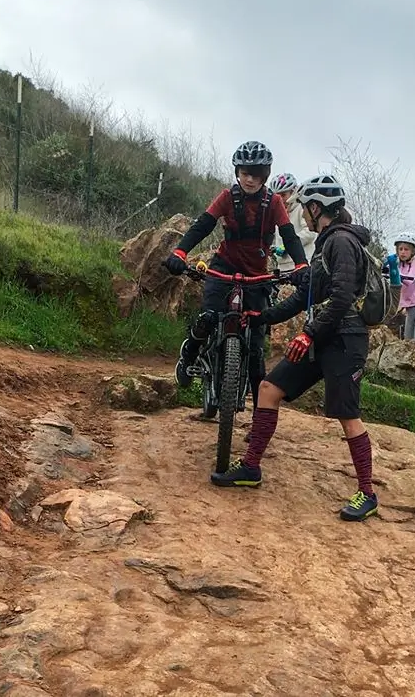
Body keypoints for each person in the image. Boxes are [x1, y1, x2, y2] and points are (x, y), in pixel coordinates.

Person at [210, 174, 388, 523]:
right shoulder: (326, 243)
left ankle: (368, 494)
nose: (303, 214)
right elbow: (305, 298)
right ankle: (251, 468)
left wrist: (307, 335)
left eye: (306, 207)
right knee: (268, 389)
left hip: (345, 339)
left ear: (317, 208)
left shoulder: (341, 241)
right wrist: (261, 318)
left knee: (348, 416)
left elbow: (341, 298)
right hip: (323, 335)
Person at [163, 141, 309, 408]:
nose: (250, 179)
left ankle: (259, 416)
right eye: (245, 173)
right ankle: (189, 355)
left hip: (256, 276)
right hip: (224, 267)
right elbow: (203, 225)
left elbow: (290, 236)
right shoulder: (227, 197)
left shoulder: (274, 202)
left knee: (255, 349)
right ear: (237, 173)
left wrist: (301, 265)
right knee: (208, 317)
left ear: (265, 175)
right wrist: (180, 253)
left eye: (256, 174)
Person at [389, 232, 415, 345]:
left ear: (412, 251)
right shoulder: (397, 264)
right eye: (400, 249)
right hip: (409, 308)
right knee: (407, 342)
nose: (403, 252)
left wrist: (393, 273)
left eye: (406, 249)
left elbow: (409, 280)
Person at [269, 172, 317, 271]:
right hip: (282, 266)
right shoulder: (277, 212)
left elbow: (310, 233)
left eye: (283, 195)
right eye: (277, 195)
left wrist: (286, 246)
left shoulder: (301, 208)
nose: (280, 199)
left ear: (293, 192)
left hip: (302, 263)